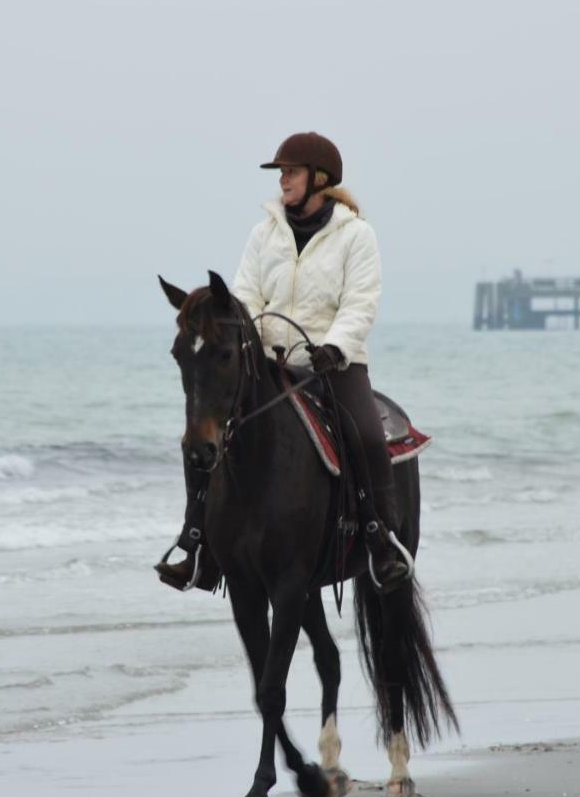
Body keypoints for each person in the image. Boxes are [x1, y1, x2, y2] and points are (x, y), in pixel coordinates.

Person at [156, 132, 412, 593]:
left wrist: (335, 346)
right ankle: (196, 544)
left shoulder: (357, 236)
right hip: (271, 362)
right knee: (204, 434)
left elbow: (361, 302)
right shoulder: (263, 233)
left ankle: (380, 540)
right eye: (281, 174)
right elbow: (245, 296)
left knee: (368, 435)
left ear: (320, 179)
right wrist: (248, 342)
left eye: (291, 172)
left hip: (337, 363)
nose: (284, 181)